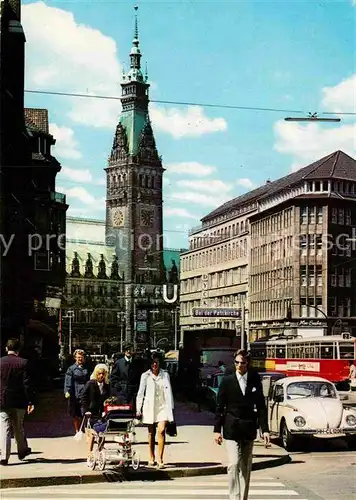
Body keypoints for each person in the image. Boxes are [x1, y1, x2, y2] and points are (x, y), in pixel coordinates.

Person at [214, 349, 270, 500]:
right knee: (233, 464)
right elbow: (220, 406)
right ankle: (234, 497)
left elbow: (261, 406)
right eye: (237, 362)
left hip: (249, 428)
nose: (239, 365)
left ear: (248, 363)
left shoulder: (254, 379)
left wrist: (265, 430)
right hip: (231, 427)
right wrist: (217, 430)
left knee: (245, 467)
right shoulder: (227, 380)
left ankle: (243, 497)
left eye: (243, 363)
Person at [0, 338, 35, 465]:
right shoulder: (23, 363)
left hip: (2, 400)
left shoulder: (0, 362)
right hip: (19, 401)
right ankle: (22, 451)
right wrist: (30, 401)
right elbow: (27, 384)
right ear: (18, 350)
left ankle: (4, 457)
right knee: (18, 427)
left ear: (6, 348)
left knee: (4, 428)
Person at [136, 355, 174, 469]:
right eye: (152, 363)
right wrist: (139, 409)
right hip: (149, 407)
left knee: (161, 431)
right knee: (151, 433)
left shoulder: (165, 375)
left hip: (162, 407)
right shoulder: (145, 376)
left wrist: (171, 408)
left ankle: (160, 458)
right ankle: (151, 456)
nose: (154, 365)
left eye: (156, 362)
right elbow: (140, 393)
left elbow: (169, 391)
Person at [82, 364, 111, 457]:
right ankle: (89, 453)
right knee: (92, 433)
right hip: (91, 412)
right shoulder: (90, 383)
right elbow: (83, 397)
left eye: (103, 374)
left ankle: (100, 450)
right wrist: (86, 410)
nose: (101, 376)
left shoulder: (107, 385)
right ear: (96, 374)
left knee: (102, 432)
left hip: (102, 412)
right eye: (99, 374)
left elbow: (109, 398)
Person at [64, 349, 90, 435]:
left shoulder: (87, 367)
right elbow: (68, 380)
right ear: (75, 358)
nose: (80, 358)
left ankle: (85, 429)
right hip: (75, 392)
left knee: (85, 412)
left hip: (86, 391)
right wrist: (67, 391)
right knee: (76, 413)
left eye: (81, 357)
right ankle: (77, 430)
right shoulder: (71, 369)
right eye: (78, 357)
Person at [110, 344, 141, 410]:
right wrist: (118, 387)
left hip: (134, 392)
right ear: (124, 351)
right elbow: (113, 377)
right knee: (123, 411)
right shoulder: (119, 363)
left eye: (130, 349)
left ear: (133, 351)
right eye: (127, 350)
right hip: (122, 392)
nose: (128, 351)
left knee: (133, 411)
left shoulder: (137, 363)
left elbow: (139, 377)